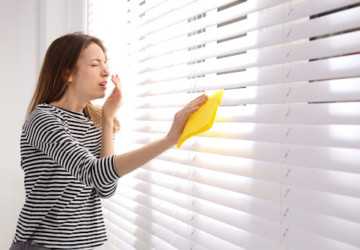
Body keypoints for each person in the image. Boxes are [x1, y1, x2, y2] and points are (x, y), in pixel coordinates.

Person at [10, 32, 207, 249]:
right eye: (95, 64)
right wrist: (169, 139)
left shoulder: (94, 121)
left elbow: (105, 187)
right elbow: (93, 171)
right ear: (67, 73)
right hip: (42, 245)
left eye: (105, 63)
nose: (106, 72)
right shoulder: (43, 119)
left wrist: (107, 119)